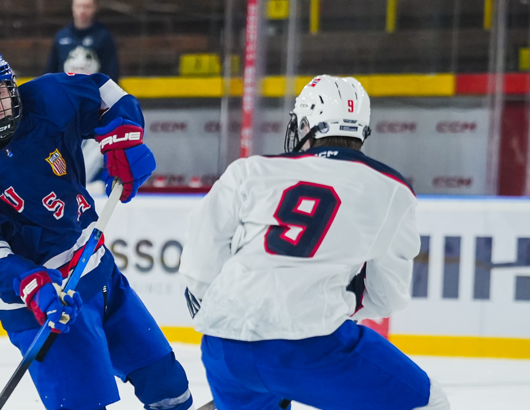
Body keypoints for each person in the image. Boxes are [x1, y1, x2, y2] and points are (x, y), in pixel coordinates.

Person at [0, 46, 192, 410]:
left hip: (98, 273)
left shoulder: (48, 97)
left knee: (169, 388)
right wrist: (28, 281)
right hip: (43, 304)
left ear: (12, 87)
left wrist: (125, 138)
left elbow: (106, 92)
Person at [180, 75, 450, 410]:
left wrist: (224, 309)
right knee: (429, 402)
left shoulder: (251, 170)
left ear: (306, 124)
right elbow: (386, 295)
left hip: (224, 347)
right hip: (309, 347)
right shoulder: (392, 189)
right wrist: (331, 306)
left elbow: (200, 257)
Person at [45, 0, 119, 81]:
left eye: (87, 7)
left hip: (92, 90)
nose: (82, 11)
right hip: (66, 90)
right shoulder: (61, 36)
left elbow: (111, 70)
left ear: (95, 8)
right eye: (78, 6)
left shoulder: (103, 37)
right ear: (73, 7)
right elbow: (51, 69)